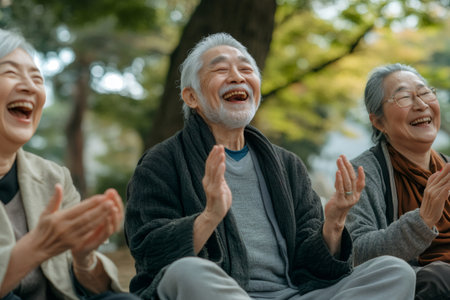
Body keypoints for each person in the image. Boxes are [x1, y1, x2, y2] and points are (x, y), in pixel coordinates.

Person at [125, 33, 416, 300]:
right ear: (192, 97)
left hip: (292, 294)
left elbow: (311, 265)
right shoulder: (161, 163)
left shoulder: (286, 165)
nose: (237, 77)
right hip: (219, 293)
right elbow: (150, 253)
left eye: (246, 69)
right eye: (221, 69)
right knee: (186, 273)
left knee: (393, 271)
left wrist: (335, 221)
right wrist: (210, 216)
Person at [0, 29, 140, 300]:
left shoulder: (54, 178)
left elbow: (92, 288)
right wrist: (36, 246)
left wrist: (84, 257)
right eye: (10, 73)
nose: (30, 86)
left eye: (37, 78)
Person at [346, 63, 450, 300]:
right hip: (418, 283)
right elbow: (357, 252)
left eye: (425, 93)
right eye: (403, 97)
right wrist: (423, 220)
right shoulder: (363, 173)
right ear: (378, 122)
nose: (421, 104)